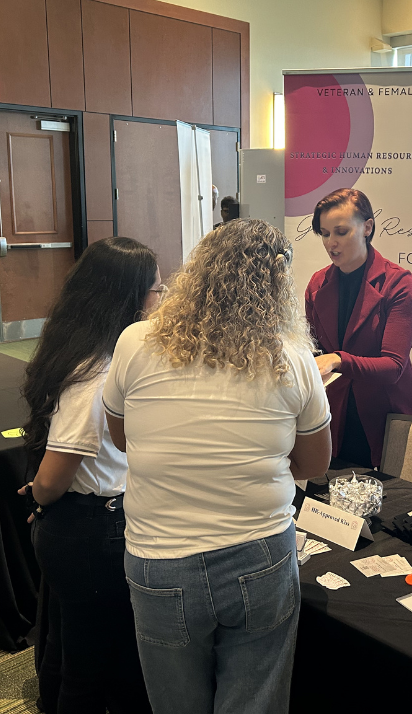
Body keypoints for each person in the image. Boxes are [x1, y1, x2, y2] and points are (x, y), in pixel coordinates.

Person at [102, 220, 331, 714]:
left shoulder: (135, 343)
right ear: (279, 284)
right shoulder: (293, 357)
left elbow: (123, 439)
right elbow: (314, 462)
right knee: (255, 701)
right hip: (260, 552)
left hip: (159, 558)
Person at [21, 237, 161, 714]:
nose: (160, 300)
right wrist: (43, 498)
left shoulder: (88, 354)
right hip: (93, 532)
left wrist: (46, 499)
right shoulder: (98, 374)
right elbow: (53, 477)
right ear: (128, 297)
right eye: (155, 290)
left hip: (81, 525)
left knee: (67, 647)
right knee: (90, 669)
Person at [305, 188, 412, 468]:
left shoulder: (398, 283)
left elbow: (393, 366)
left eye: (341, 232)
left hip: (386, 414)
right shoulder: (317, 284)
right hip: (335, 413)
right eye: (325, 234)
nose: (331, 243)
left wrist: (338, 360)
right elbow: (314, 352)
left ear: (367, 227)